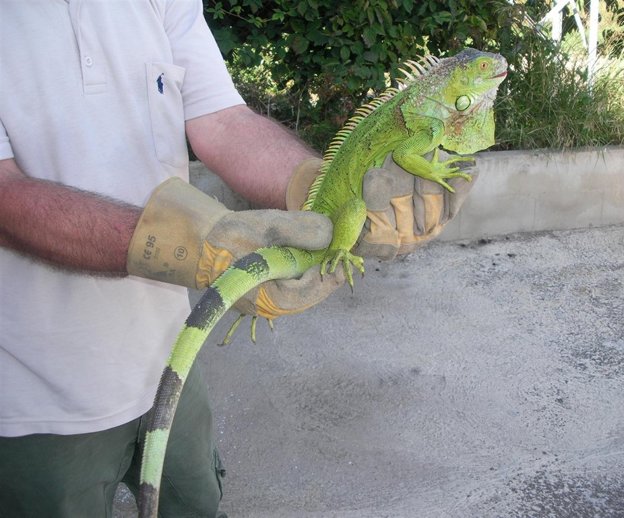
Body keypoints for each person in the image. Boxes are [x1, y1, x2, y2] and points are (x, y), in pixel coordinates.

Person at [0, 2, 475, 516]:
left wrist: (324, 192)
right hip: (32, 399)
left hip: (171, 358)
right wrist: (195, 248)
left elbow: (223, 121)